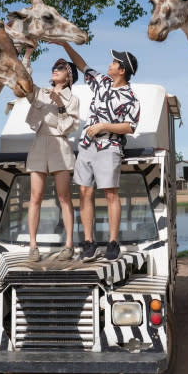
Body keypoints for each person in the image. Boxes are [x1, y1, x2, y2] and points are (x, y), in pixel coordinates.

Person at [52, 41, 140, 261]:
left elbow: (130, 126)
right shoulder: (101, 82)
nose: (109, 64)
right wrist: (64, 45)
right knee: (84, 192)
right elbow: (82, 65)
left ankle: (112, 242)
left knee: (111, 194)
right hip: (86, 146)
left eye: (114, 62)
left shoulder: (131, 98)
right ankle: (89, 242)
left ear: (122, 70)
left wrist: (103, 126)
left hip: (109, 147)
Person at [24, 58, 81, 262]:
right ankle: (33, 246)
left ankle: (69, 245)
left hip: (60, 146)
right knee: (35, 197)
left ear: (68, 76)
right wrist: (27, 55)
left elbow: (68, 127)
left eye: (60, 68)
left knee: (64, 197)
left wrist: (60, 106)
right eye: (53, 67)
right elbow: (23, 80)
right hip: (39, 144)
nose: (54, 70)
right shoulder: (40, 92)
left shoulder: (73, 100)